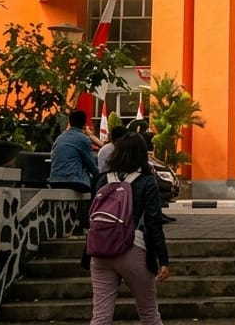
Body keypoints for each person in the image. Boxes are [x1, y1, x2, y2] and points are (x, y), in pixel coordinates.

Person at [90, 132, 170, 325]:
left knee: (100, 316)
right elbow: (153, 222)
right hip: (133, 248)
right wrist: (163, 259)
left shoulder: (102, 180)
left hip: (100, 252)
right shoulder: (146, 181)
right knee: (149, 313)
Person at [49, 109, 99, 231]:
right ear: (84, 124)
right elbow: (91, 165)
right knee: (97, 185)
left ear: (69, 122)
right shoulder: (83, 139)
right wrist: (101, 176)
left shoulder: (60, 138)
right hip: (73, 180)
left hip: (54, 179)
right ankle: (86, 222)